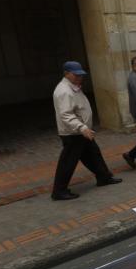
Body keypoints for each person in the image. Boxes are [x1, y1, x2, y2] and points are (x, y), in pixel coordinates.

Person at [51, 61, 121, 200]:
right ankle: (59, 191)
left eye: (80, 75)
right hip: (73, 133)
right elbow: (66, 114)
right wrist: (82, 127)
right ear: (66, 74)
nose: (79, 78)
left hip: (81, 131)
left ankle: (103, 177)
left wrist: (84, 128)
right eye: (76, 75)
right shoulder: (64, 91)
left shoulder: (73, 87)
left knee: (93, 154)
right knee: (68, 161)